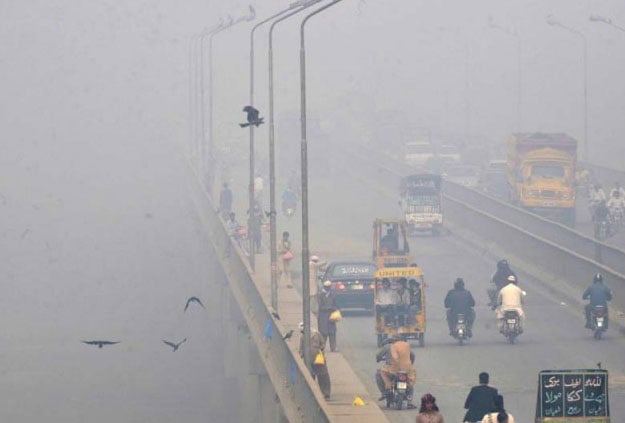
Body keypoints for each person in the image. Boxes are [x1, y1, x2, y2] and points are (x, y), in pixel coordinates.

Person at [375, 334, 417, 409]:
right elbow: (413, 356)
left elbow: (379, 356)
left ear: (392, 340)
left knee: (379, 374)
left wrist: (378, 359)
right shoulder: (406, 346)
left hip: (392, 370)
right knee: (410, 382)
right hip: (406, 370)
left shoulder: (388, 346)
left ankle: (384, 392)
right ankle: (410, 402)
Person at [298, 322, 331, 399]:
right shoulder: (302, 337)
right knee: (310, 377)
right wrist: (301, 355)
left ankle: (326, 393)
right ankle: (310, 394)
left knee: (323, 376)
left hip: (318, 359)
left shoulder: (316, 334)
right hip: (309, 360)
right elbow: (301, 349)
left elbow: (322, 344)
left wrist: (321, 351)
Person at [318, 280, 339, 352]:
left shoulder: (332, 295)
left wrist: (335, 310)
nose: (328, 288)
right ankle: (322, 348)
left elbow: (336, 305)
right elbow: (319, 307)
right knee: (323, 333)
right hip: (323, 316)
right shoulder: (320, 295)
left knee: (332, 332)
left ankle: (333, 347)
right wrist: (328, 308)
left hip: (331, 316)